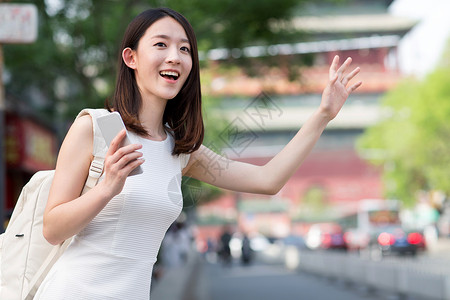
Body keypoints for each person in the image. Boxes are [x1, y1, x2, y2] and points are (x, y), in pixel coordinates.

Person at [35, 7, 361, 300]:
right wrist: (106, 189)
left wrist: (323, 116)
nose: (175, 56)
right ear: (131, 58)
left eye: (185, 48)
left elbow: (268, 179)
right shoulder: (99, 128)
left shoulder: (180, 149)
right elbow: (53, 229)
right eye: (161, 44)